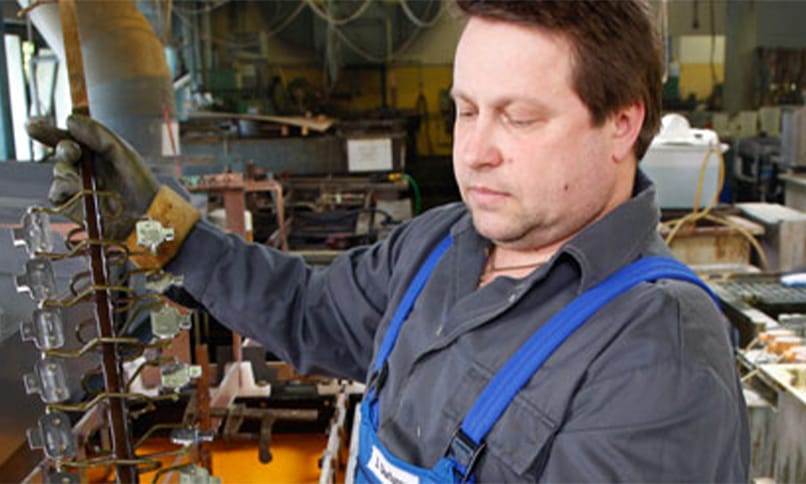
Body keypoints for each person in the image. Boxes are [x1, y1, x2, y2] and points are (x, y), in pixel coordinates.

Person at [28, 0, 749, 481]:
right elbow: (308, 310)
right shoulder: (440, 246)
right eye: (466, 111)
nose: (475, 152)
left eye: (519, 118)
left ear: (621, 123)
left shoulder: (659, 352)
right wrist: (163, 227)